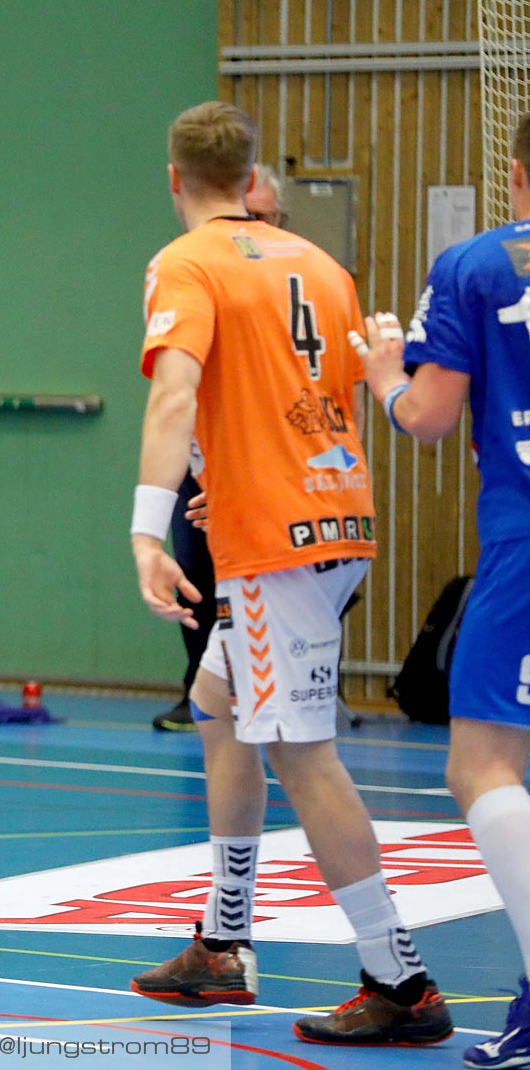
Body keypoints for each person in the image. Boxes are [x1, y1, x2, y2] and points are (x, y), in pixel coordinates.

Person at [128, 102, 451, 1046]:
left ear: (177, 178)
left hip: (279, 546)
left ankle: (399, 980)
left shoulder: (184, 263)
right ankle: (224, 945)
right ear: (256, 177)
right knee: (219, 700)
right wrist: (223, 484)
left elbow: (178, 390)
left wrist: (148, 530)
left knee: (304, 753)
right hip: (333, 517)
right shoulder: (323, 264)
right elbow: (301, 404)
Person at [346, 114, 530, 1068]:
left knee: (483, 765)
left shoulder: (474, 266)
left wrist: (384, 374)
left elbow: (428, 415)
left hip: (525, 537)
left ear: (515, 176)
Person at [152, 164, 281, 732]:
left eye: (267, 215)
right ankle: (205, 687)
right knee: (195, 576)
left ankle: (269, 692)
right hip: (207, 463)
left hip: (278, 475)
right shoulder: (194, 271)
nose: (254, 224)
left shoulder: (298, 275)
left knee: (296, 748)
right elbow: (175, 393)